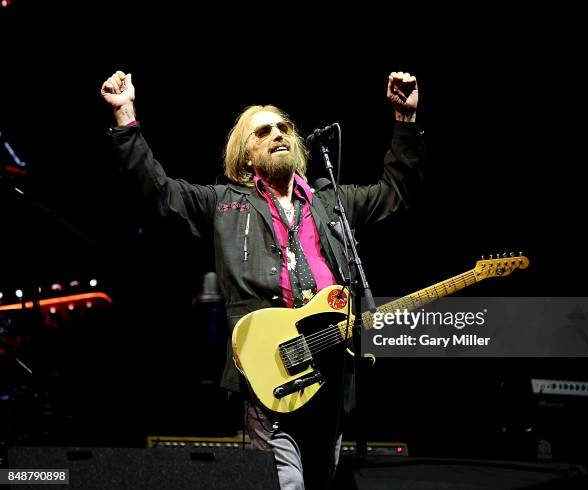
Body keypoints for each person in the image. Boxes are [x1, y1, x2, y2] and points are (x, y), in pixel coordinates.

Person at [101, 69, 424, 489]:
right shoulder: (226, 204)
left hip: (331, 365)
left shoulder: (332, 203)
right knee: (281, 483)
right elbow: (159, 192)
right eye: (263, 131)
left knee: (323, 479)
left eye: (284, 127)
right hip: (270, 369)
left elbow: (394, 194)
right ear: (246, 156)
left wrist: (405, 121)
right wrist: (125, 114)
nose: (278, 134)